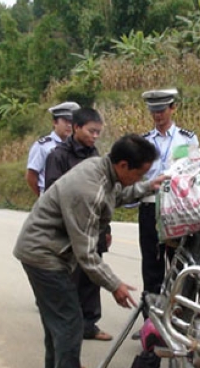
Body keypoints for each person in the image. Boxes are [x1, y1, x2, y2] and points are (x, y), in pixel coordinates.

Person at [13, 134, 166, 368]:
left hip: (43, 250)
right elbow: (86, 254)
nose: (141, 176)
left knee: (56, 317)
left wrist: (147, 186)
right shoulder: (88, 189)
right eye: (140, 172)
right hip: (44, 255)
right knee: (71, 321)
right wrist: (114, 285)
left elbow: (116, 194)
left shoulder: (102, 170)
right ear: (122, 164)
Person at [44, 108, 113, 341]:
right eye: (91, 131)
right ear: (76, 128)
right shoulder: (58, 156)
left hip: (94, 226)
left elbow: (104, 192)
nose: (95, 136)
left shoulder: (95, 155)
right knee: (69, 280)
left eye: (98, 132)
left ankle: (89, 325)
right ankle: (68, 329)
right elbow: (53, 193)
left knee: (92, 277)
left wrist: (106, 229)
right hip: (70, 229)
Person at [138, 88, 200, 296]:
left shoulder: (187, 139)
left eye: (162, 110)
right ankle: (150, 319)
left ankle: (176, 313)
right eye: (154, 111)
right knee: (152, 263)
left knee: (179, 261)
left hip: (177, 206)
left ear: (172, 108)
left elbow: (197, 171)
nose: (158, 115)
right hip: (150, 205)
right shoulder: (143, 142)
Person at [25, 101, 80, 196]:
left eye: (72, 122)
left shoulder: (77, 146)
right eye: (66, 121)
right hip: (50, 198)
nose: (69, 125)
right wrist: (42, 196)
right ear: (55, 122)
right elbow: (31, 176)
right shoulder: (43, 146)